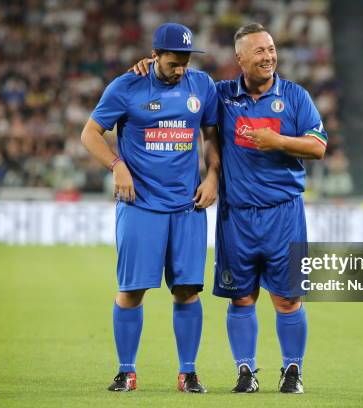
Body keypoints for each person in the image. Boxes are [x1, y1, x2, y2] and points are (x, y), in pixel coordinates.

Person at [132, 23, 327, 394]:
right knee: (241, 297)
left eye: (271, 49)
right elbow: (180, 78)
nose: (269, 56)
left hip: (284, 212)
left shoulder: (297, 97)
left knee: (287, 298)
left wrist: (277, 141)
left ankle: (292, 371)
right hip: (236, 215)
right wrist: (148, 66)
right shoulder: (219, 95)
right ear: (239, 59)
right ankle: (246, 370)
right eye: (259, 51)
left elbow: (318, 147)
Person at [81, 23, 220, 393]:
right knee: (132, 290)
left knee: (188, 290)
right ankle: (126, 371)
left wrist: (213, 176)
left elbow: (211, 135)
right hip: (139, 203)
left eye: (186, 62)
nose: (181, 69)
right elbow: (89, 133)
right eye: (174, 62)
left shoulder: (201, 86)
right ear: (154, 56)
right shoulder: (126, 86)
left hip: (188, 205)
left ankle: (188, 372)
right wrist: (117, 165)